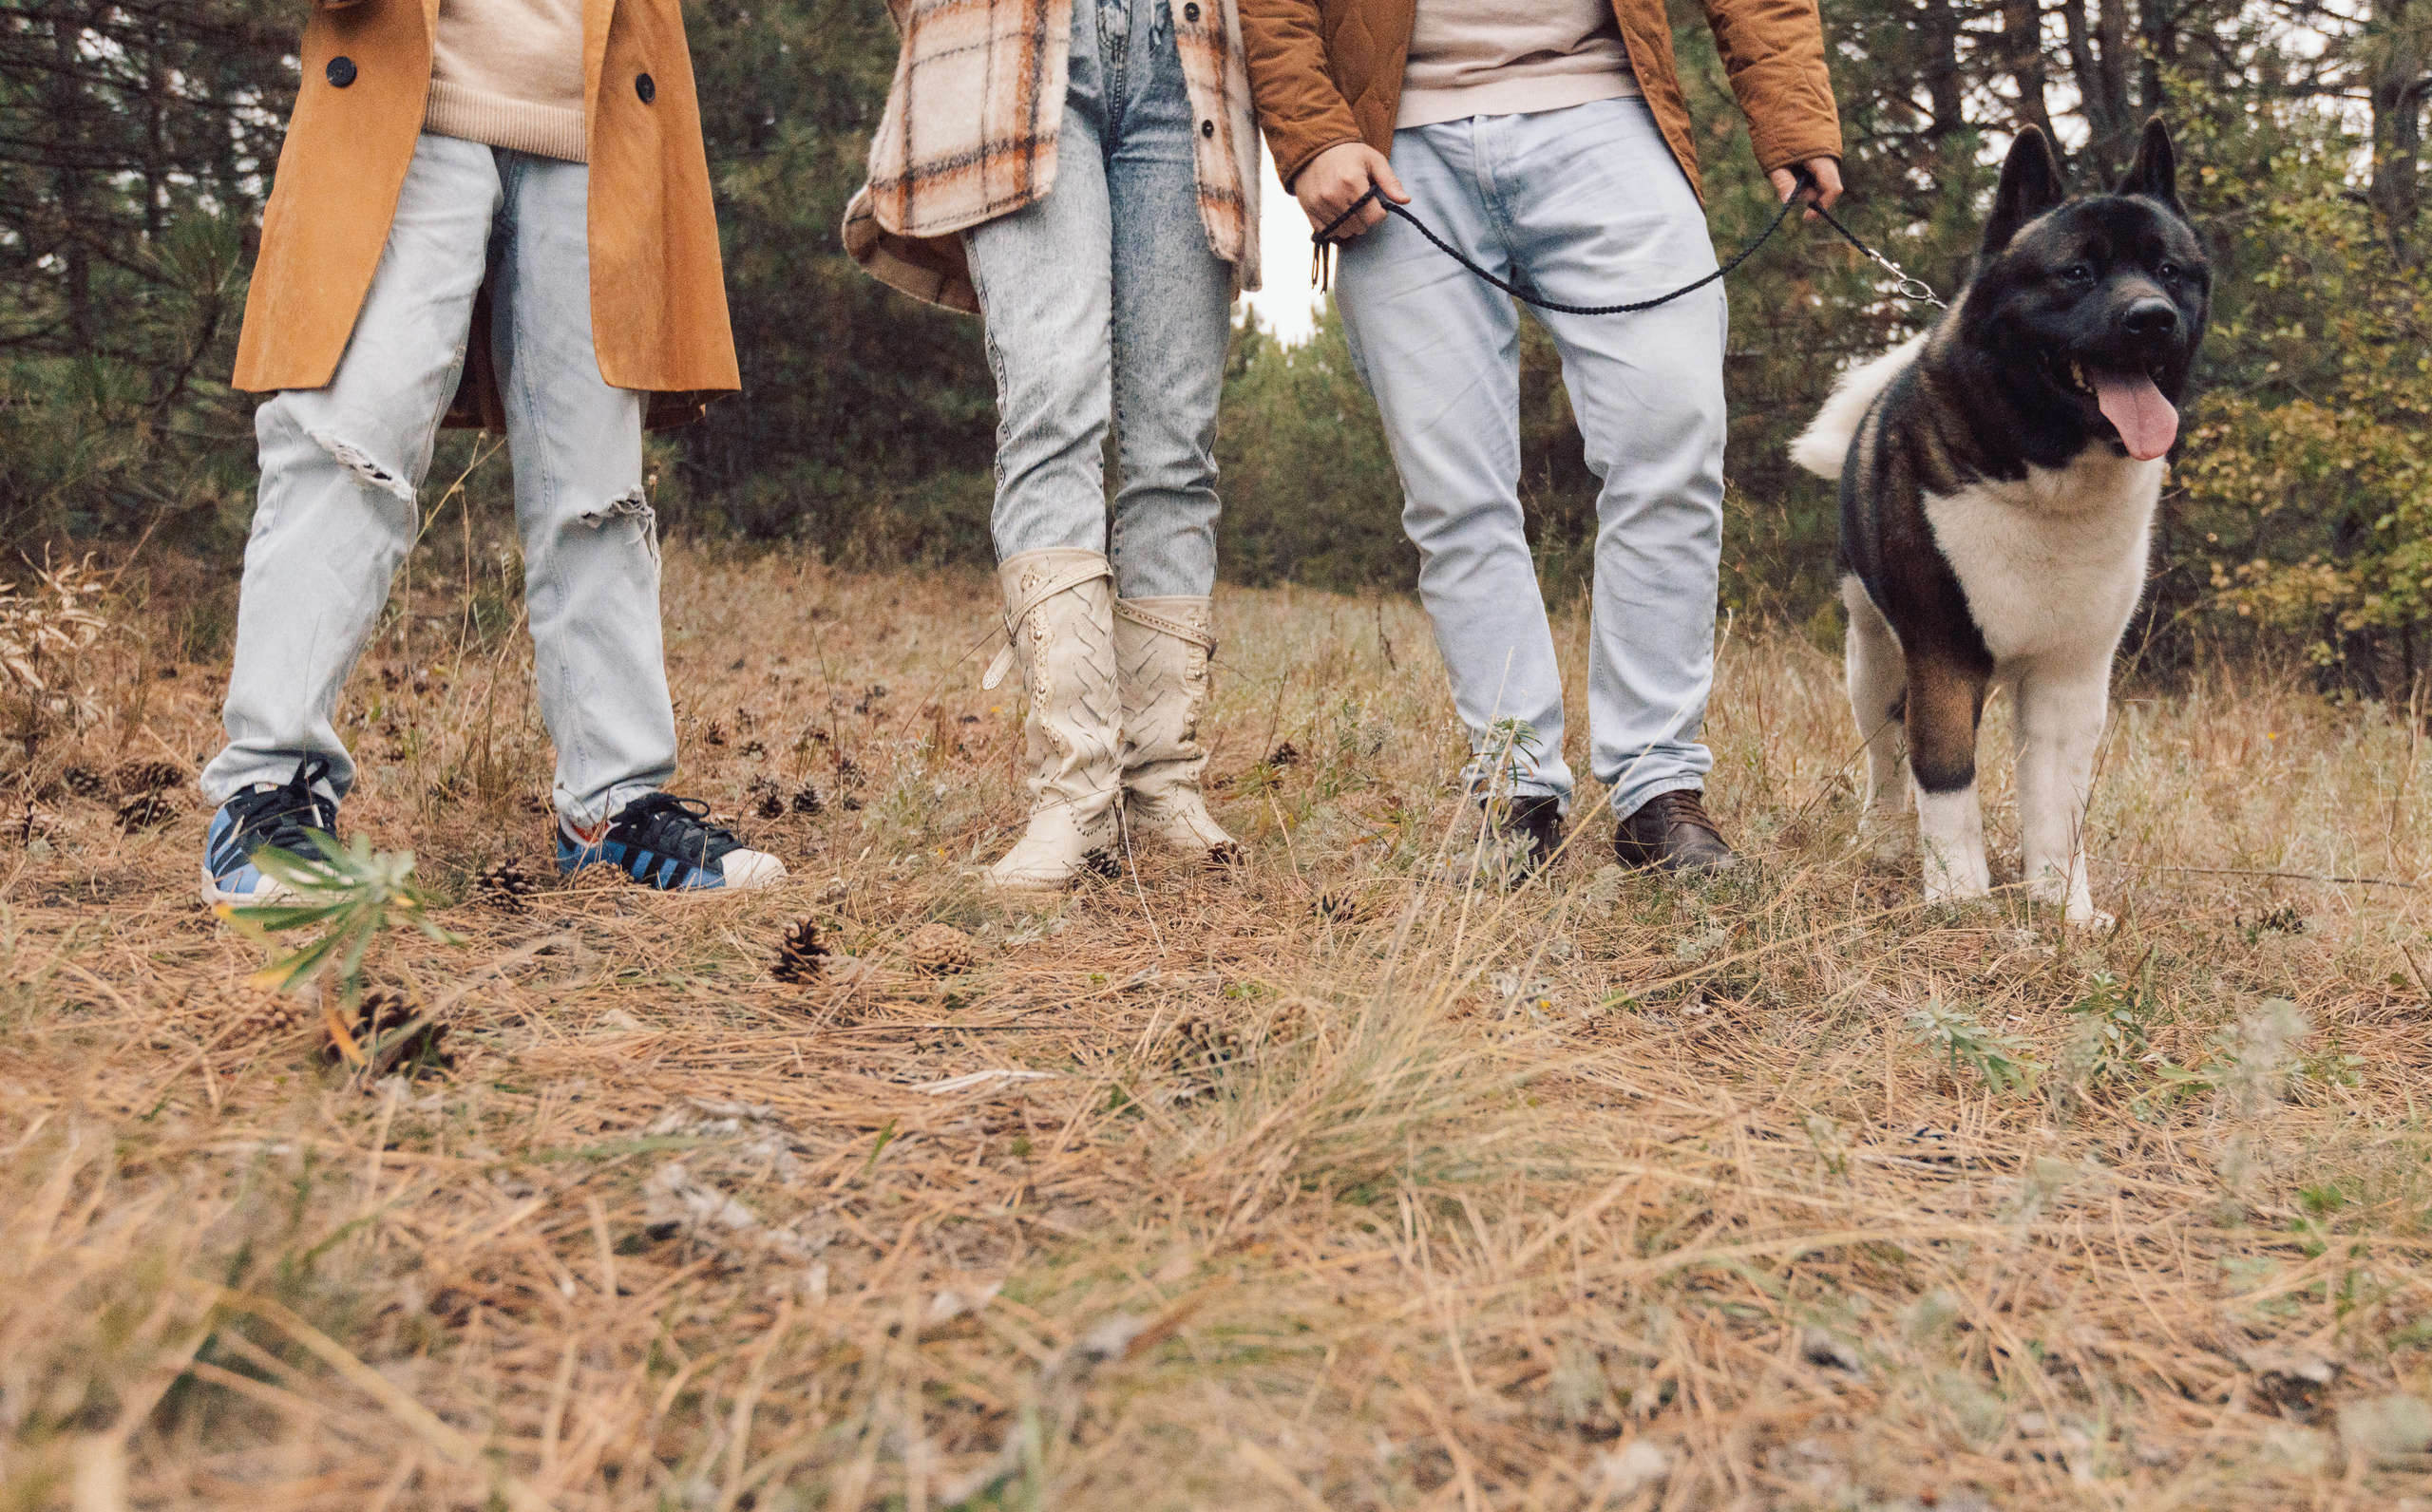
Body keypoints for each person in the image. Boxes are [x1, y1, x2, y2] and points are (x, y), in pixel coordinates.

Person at [1240, 0, 1845, 875]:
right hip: (1391, 136)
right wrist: (1313, 135)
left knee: (1671, 432)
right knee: (1453, 489)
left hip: (1607, 112)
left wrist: (1791, 109)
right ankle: (1515, 791)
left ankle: (1656, 792)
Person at [201, 0, 784, 903]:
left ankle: (613, 806)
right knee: (343, 444)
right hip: (412, 97)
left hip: (599, 117)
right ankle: (267, 789)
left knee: (598, 493)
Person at [845, 0, 1264, 898]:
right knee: (1053, 406)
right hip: (1013, 47)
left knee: (1176, 451)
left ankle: (1161, 784)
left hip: (1187, 57)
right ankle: (1071, 792)